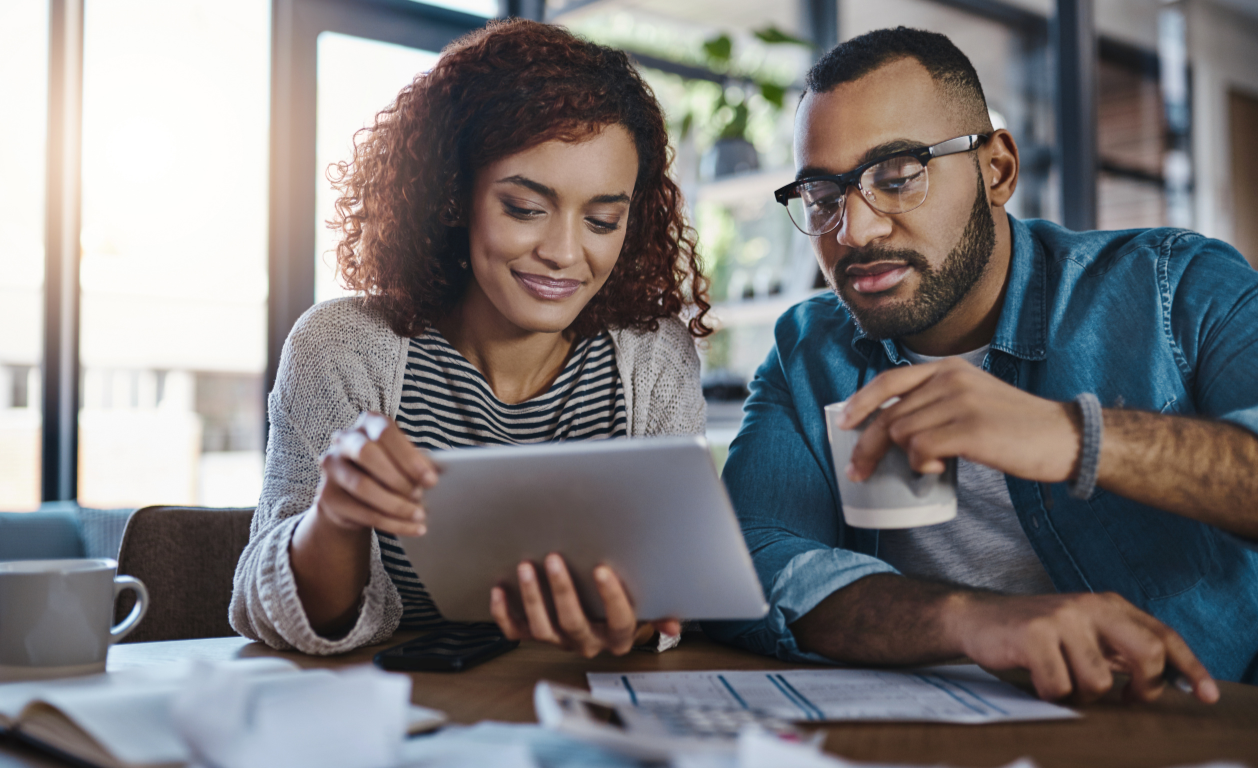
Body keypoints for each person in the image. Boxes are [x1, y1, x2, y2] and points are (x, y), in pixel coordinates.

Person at [704, 26, 1258, 702]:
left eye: (899, 177)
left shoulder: (1178, 286)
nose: (857, 231)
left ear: (997, 170)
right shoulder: (808, 350)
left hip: (1185, 723)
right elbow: (748, 562)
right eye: (823, 197)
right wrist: (973, 622)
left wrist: (1070, 436)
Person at [229, 19, 710, 658]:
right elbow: (277, 615)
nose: (566, 252)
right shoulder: (341, 347)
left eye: (602, 219)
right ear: (454, 195)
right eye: (524, 208)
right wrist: (336, 519)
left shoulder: (654, 358)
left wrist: (645, 620)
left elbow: (677, 593)